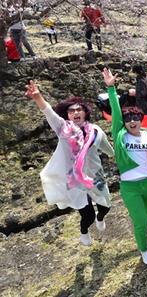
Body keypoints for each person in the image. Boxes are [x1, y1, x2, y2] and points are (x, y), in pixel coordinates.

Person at [25, 82, 113, 246]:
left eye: (79, 109)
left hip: (95, 177)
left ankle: (101, 217)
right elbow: (49, 113)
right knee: (88, 216)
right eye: (71, 110)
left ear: (85, 112)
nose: (75, 112)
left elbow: (106, 146)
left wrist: (114, 155)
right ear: (67, 115)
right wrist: (38, 97)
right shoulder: (63, 130)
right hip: (74, 181)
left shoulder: (96, 131)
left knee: (105, 207)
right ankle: (84, 230)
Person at [103, 68, 147, 265]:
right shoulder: (121, 134)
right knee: (139, 222)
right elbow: (115, 111)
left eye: (135, 118)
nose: (132, 121)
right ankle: (144, 250)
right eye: (128, 119)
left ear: (140, 119)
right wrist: (111, 88)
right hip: (129, 186)